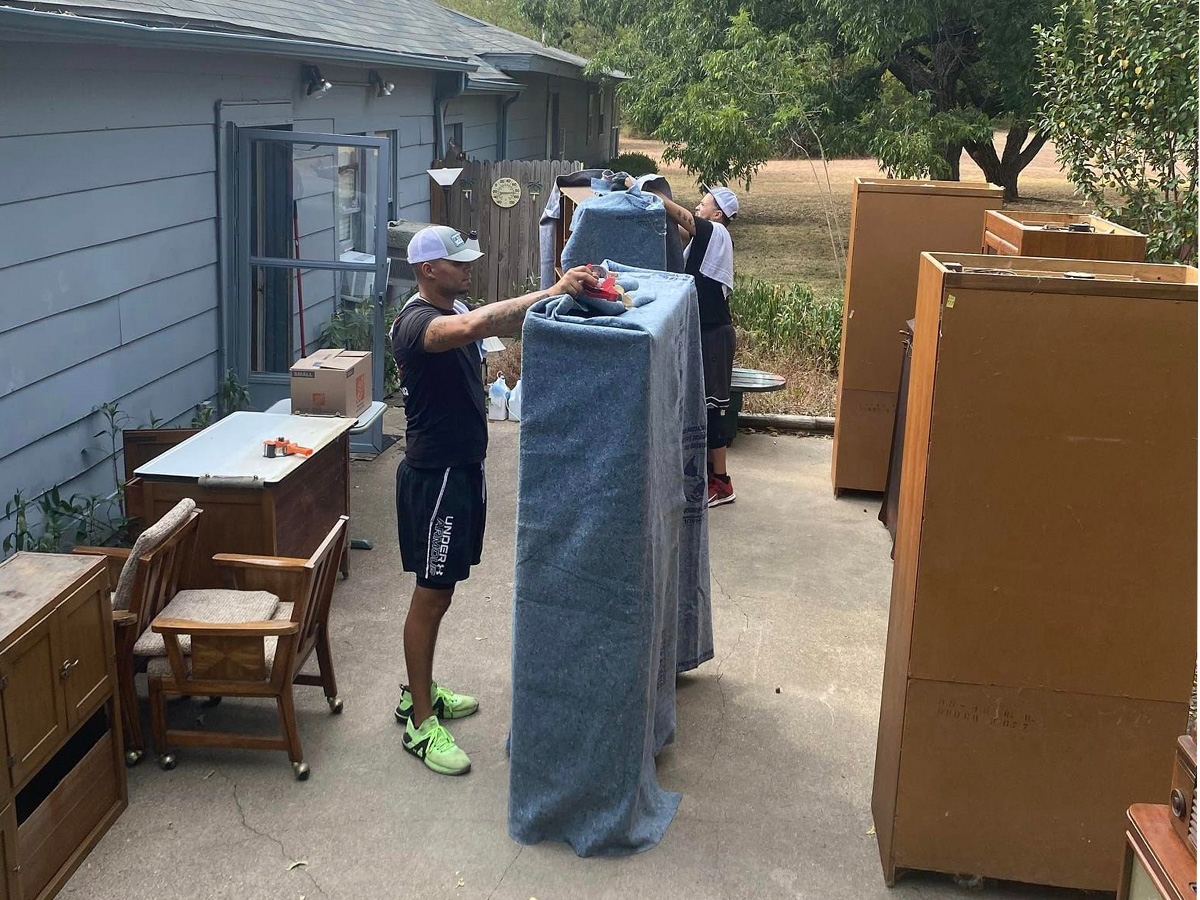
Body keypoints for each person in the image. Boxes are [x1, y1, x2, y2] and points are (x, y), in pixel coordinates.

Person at [390, 225, 596, 777]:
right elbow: (476, 326)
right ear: (427, 269)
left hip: (462, 470)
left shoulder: (452, 307)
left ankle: (420, 688)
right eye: (457, 263)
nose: (468, 269)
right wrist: (551, 291)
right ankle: (419, 719)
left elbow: (493, 321)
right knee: (431, 595)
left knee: (443, 591)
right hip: (435, 478)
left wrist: (564, 303)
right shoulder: (417, 324)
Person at [648, 182, 740, 507]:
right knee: (701, 405)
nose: (698, 208)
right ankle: (706, 476)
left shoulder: (717, 233)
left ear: (718, 214)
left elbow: (684, 217)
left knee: (713, 408)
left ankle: (722, 483)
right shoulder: (701, 244)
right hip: (704, 331)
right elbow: (677, 231)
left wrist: (653, 194)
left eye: (704, 204)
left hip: (715, 334)